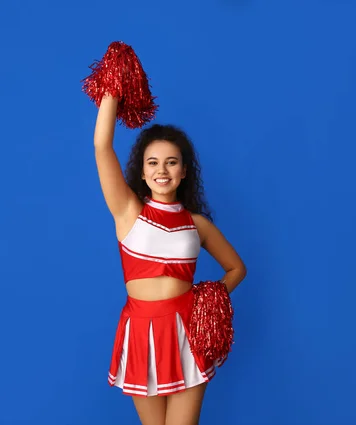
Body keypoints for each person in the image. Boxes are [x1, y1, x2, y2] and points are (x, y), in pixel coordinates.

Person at [94, 94, 247, 425]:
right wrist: (112, 89)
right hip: (140, 331)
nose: (162, 170)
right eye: (153, 162)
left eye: (171, 162)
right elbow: (102, 147)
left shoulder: (198, 224)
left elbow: (236, 269)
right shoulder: (128, 211)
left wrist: (211, 302)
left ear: (184, 171)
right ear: (142, 171)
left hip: (187, 332)